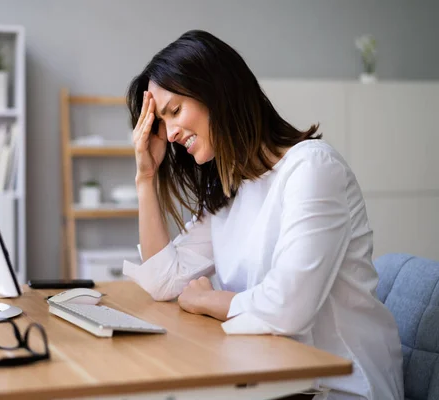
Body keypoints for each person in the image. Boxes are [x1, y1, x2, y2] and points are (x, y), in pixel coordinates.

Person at [122, 30, 404, 400]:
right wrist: (146, 178)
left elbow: (287, 309)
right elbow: (163, 281)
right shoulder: (232, 188)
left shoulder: (312, 168)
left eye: (174, 111)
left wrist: (209, 300)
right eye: (162, 122)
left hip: (340, 386)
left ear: (218, 92)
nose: (170, 133)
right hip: (272, 377)